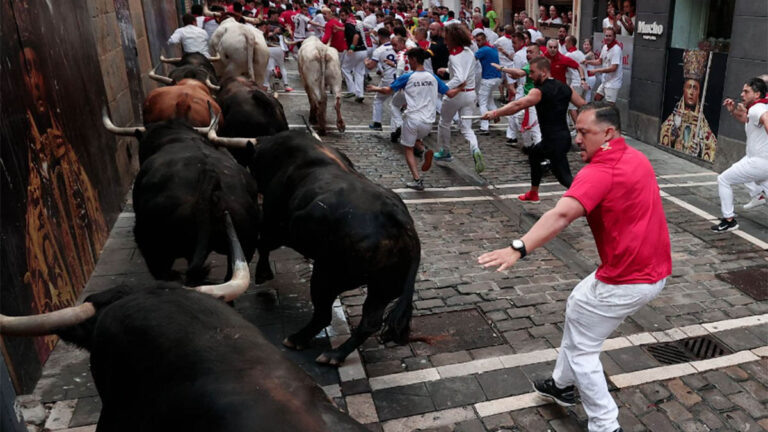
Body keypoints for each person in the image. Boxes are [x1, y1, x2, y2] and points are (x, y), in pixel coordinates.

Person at [478, 101, 671, 432]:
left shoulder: (599, 171)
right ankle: (560, 383)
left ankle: (605, 425)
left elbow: (562, 214)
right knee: (578, 305)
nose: (577, 139)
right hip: (652, 270)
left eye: (584, 132)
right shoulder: (636, 157)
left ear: (608, 132)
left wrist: (519, 247)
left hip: (626, 279)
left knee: (584, 351)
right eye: (576, 131)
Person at [484, 57, 586, 201]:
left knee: (565, 178)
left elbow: (517, 105)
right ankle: (533, 193)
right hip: (561, 138)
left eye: (532, 72)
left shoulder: (538, 91)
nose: (530, 75)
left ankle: (591, 199)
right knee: (534, 154)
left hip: (554, 142)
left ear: (543, 72)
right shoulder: (566, 87)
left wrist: (494, 113)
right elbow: (583, 104)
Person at [367, 48, 465, 190]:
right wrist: (461, 88)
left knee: (407, 148)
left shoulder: (408, 77)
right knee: (417, 139)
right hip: (429, 122)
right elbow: (450, 93)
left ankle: (417, 179)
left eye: (409, 59)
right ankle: (424, 151)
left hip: (412, 119)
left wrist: (375, 88)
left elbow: (388, 90)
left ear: (413, 59)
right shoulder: (433, 77)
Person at [711, 77, 768, 232]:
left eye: (746, 91)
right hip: (758, 161)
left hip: (758, 163)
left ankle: (729, 220)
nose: (742, 94)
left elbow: (765, 119)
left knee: (723, 179)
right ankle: (758, 196)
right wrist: (732, 111)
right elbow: (746, 119)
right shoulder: (756, 108)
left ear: (756, 94)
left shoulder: (758, 109)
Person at [434, 24, 485, 174]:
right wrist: (447, 70)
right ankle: (475, 148)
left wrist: (446, 87)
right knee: (466, 127)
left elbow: (460, 77)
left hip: (457, 94)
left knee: (444, 122)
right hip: (470, 94)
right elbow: (464, 70)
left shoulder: (453, 56)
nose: (445, 41)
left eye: (446, 39)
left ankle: (445, 150)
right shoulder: (469, 52)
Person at [659, 50, 717, 161]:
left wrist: (699, 149)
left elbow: (711, 146)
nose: (691, 92)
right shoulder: (675, 117)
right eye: (688, 87)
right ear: (683, 89)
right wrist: (673, 134)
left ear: (699, 92)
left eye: (695, 88)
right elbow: (664, 134)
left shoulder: (703, 124)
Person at [366, 28, 398, 131]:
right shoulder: (398, 46)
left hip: (388, 78)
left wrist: (366, 62)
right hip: (400, 77)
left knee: (378, 99)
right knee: (397, 103)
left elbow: (371, 66)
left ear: (379, 36)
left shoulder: (379, 50)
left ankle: (377, 123)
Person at [473, 31, 502, 136]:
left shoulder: (483, 50)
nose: (478, 43)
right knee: (489, 100)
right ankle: (495, 115)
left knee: (482, 103)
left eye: (480, 41)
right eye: (477, 41)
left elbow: (471, 60)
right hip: (497, 77)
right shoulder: (492, 48)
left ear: (485, 39)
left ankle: (484, 127)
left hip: (488, 79)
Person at [586, 28, 622, 103]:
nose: (607, 38)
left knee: (610, 106)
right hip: (605, 81)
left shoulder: (616, 49)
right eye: (606, 36)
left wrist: (596, 70)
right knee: (596, 99)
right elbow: (599, 61)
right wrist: (587, 61)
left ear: (614, 37)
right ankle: (600, 114)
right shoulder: (605, 47)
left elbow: (613, 68)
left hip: (613, 82)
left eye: (610, 36)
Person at [340, 8, 368, 102]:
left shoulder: (348, 24)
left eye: (343, 15)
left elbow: (356, 36)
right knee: (359, 72)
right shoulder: (354, 22)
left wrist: (352, 48)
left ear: (348, 15)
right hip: (363, 50)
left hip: (356, 51)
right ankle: (360, 94)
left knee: (345, 68)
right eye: (341, 15)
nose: (341, 17)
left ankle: (351, 90)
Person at [564, 35, 586, 125]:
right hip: (583, 82)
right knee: (579, 106)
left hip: (576, 82)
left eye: (566, 42)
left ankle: (578, 128)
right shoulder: (580, 52)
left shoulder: (569, 55)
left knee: (572, 107)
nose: (565, 44)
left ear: (570, 43)